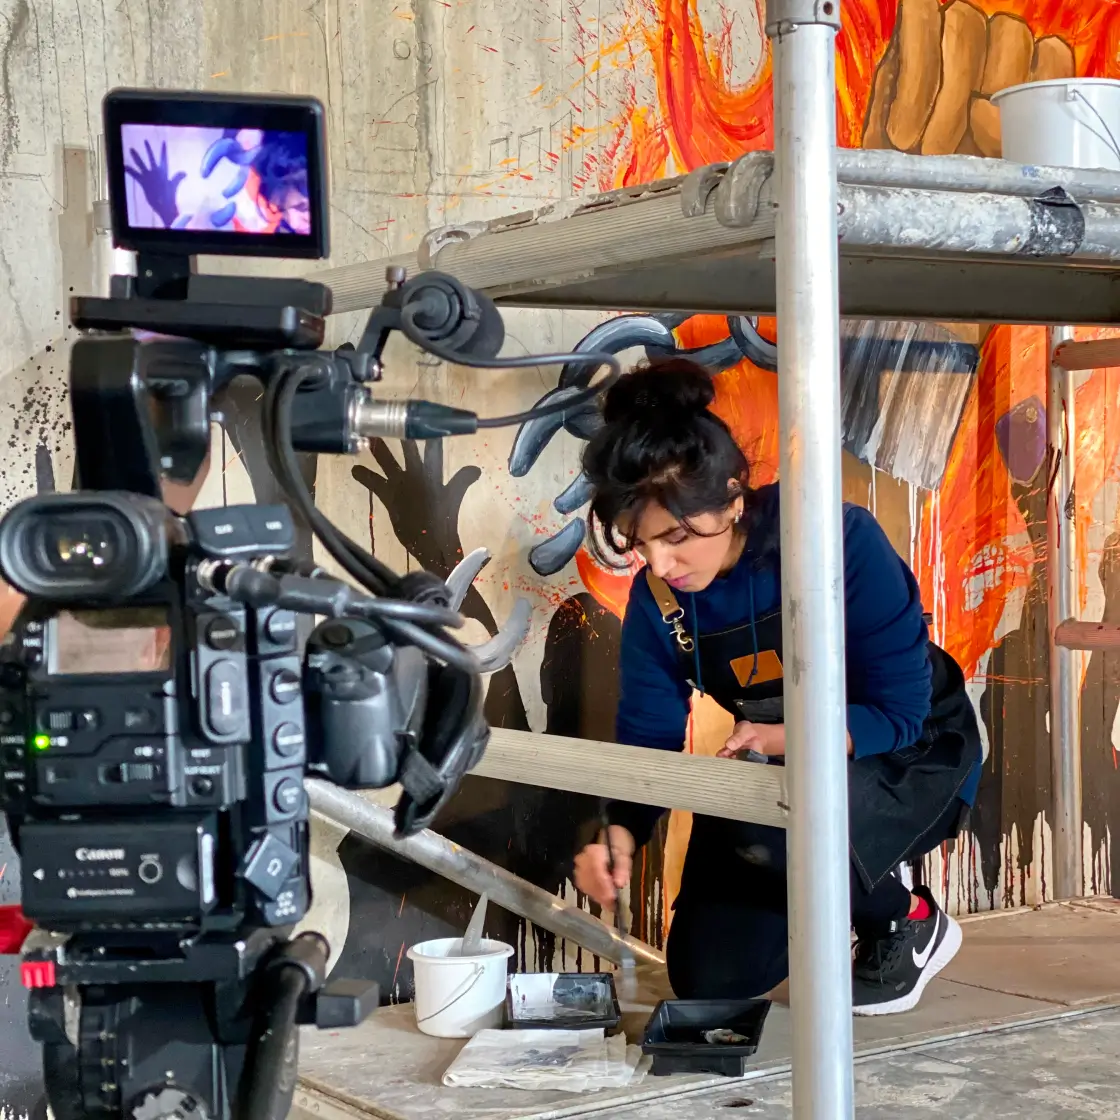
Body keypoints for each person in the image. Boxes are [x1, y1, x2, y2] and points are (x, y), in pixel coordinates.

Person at [571, 358, 983, 1016]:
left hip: (908, 744)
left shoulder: (835, 537)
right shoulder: (657, 594)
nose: (660, 563)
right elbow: (647, 734)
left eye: (676, 535)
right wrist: (620, 829)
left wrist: (788, 738)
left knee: (795, 812)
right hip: (779, 755)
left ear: (734, 498)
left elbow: (901, 712)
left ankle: (903, 915)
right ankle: (819, 882)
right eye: (639, 541)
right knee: (709, 978)